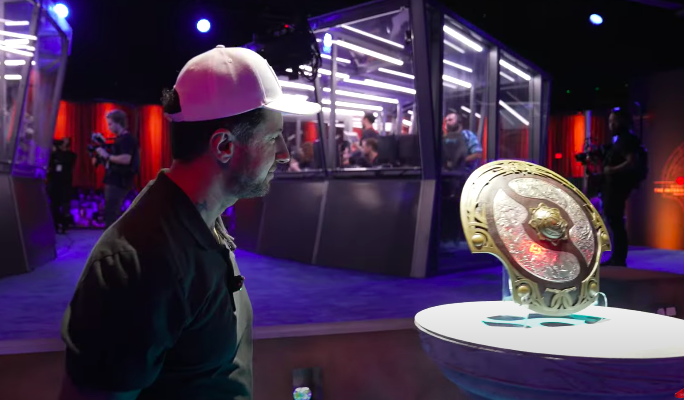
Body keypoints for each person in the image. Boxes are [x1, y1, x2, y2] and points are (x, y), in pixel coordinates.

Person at [58, 46, 321, 400]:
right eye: (273, 138)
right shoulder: (137, 264)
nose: (285, 154)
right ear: (224, 146)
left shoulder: (203, 221)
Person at [600, 108, 643, 267]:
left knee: (616, 221)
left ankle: (618, 258)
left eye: (614, 121)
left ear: (622, 122)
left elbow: (631, 161)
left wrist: (612, 170)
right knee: (615, 220)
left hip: (618, 187)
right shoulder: (622, 140)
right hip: (614, 186)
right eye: (610, 121)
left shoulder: (626, 140)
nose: (611, 125)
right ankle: (617, 257)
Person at [92, 109, 139, 228]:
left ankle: (111, 238)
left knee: (111, 213)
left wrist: (107, 156)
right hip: (113, 179)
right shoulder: (119, 139)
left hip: (119, 181)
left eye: (110, 124)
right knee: (110, 212)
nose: (109, 127)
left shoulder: (127, 139)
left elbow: (126, 159)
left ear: (119, 123)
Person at [48, 137, 77, 234]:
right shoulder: (54, 155)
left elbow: (66, 161)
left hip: (65, 184)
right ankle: (55, 225)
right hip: (54, 183)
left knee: (65, 206)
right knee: (54, 206)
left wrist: (57, 151)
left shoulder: (71, 155)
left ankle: (64, 225)